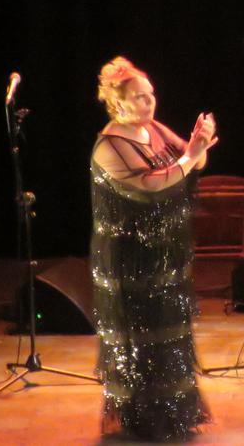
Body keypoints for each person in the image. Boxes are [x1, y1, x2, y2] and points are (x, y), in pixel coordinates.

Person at [90, 56, 216, 441]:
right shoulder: (111, 143)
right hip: (131, 259)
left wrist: (200, 145)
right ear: (118, 102)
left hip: (164, 254)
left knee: (170, 335)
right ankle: (142, 417)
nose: (149, 103)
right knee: (141, 339)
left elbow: (193, 162)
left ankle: (172, 414)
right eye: (139, 98)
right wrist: (191, 156)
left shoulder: (154, 128)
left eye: (151, 95)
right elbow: (150, 184)